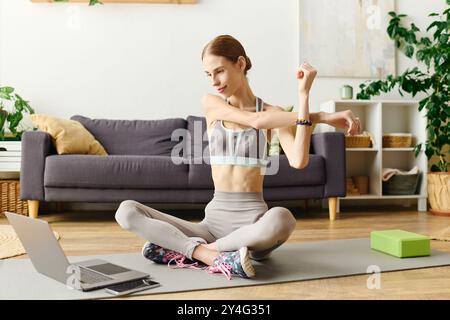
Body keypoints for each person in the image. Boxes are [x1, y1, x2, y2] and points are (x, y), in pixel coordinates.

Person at [115, 35, 362, 280]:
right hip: (210, 226)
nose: (214, 81)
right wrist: (325, 116)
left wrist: (304, 94)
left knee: (283, 218)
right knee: (126, 211)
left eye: (219, 71)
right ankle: (208, 254)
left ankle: (183, 248)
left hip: (254, 226)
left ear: (240, 64)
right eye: (208, 74)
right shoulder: (212, 104)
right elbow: (254, 121)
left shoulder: (272, 113)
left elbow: (299, 160)